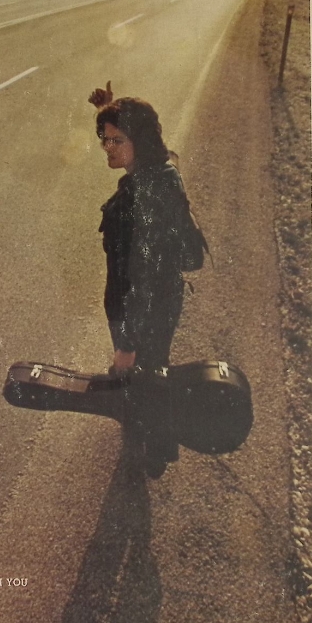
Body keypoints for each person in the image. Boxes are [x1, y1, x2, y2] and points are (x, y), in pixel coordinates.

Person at [90, 82, 187, 476]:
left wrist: (127, 343)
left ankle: (152, 452)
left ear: (139, 141)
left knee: (141, 375)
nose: (107, 147)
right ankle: (154, 443)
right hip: (162, 300)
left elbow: (141, 278)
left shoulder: (141, 198)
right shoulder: (161, 170)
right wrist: (109, 109)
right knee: (154, 369)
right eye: (105, 139)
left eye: (116, 140)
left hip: (141, 308)